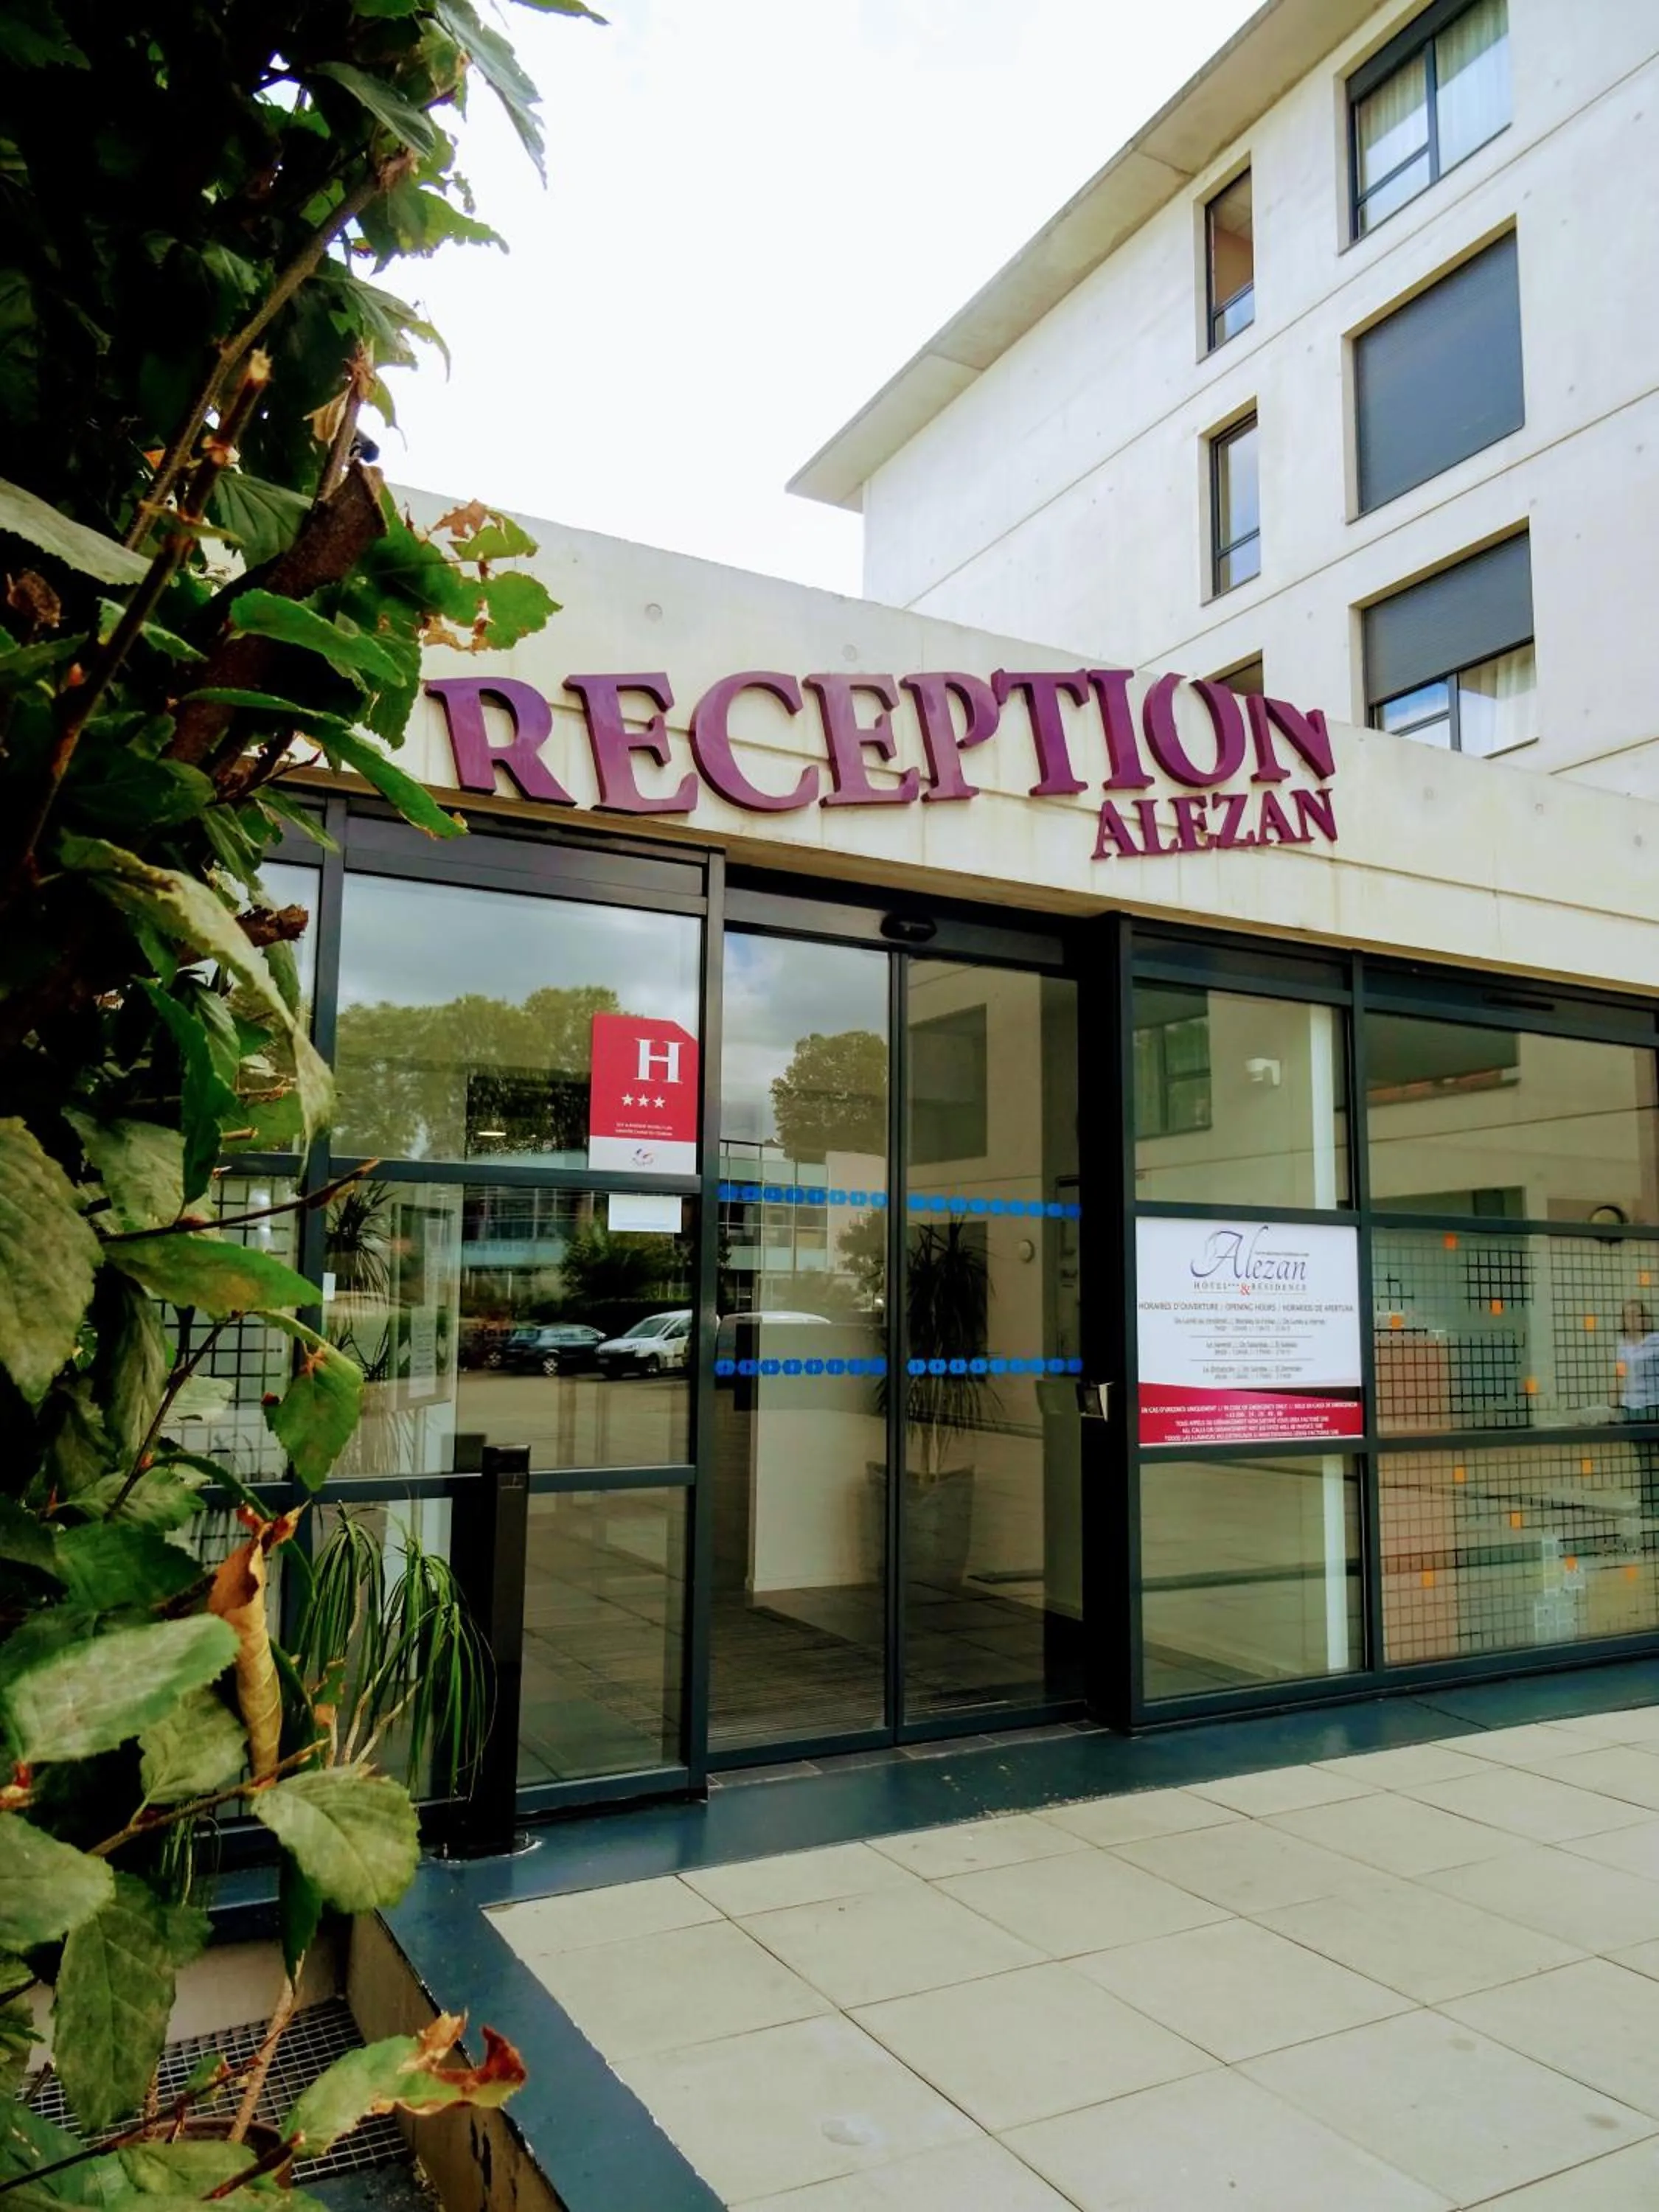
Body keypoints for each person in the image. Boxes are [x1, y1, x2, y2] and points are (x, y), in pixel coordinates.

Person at [1616, 1300, 1659, 1520]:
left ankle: (1656, 1503)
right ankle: (1647, 1503)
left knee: (1654, 1457)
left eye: (1636, 1314)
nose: (1631, 1319)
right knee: (1642, 1457)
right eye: (1627, 1315)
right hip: (1630, 1407)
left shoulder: (1656, 1342)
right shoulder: (1622, 1345)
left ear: (1644, 1317)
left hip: (1652, 1405)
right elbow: (1620, 1374)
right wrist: (1615, 1403)